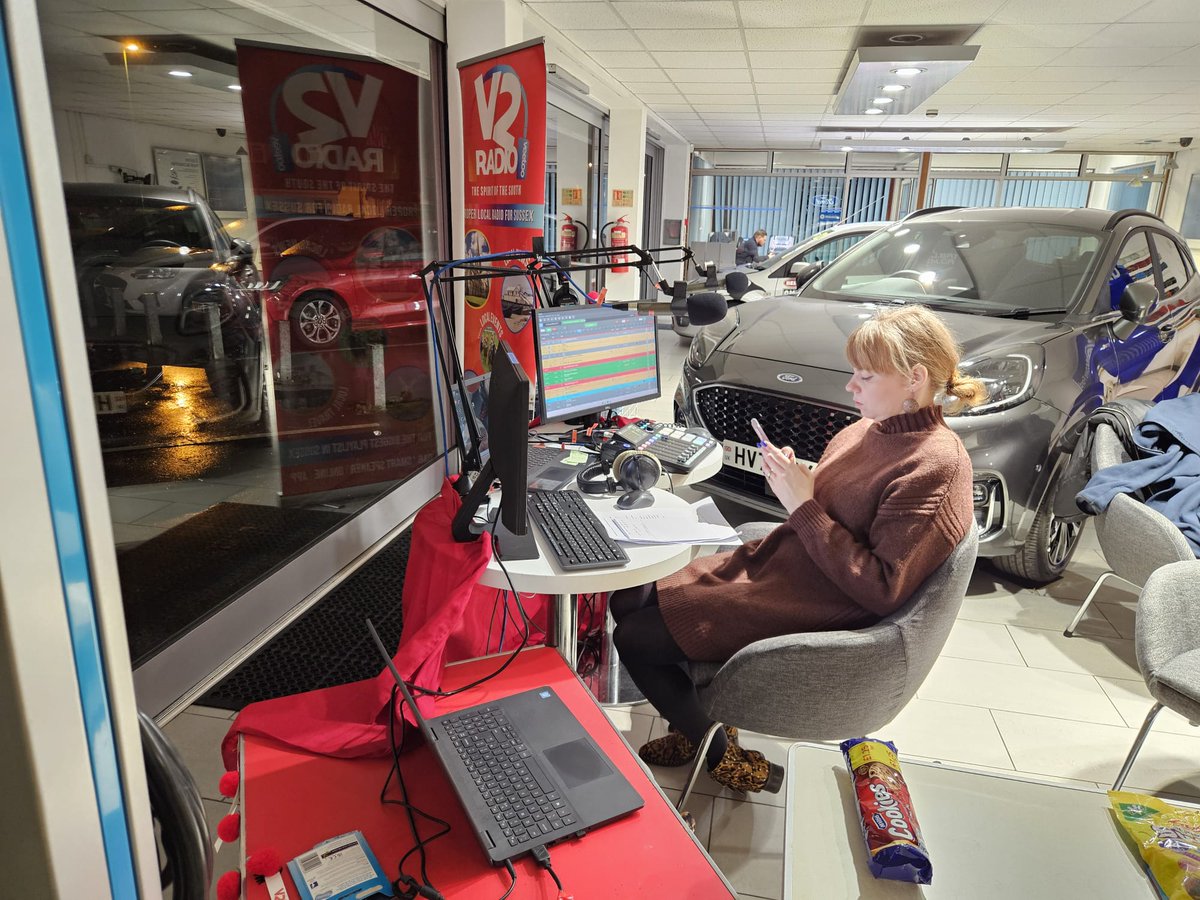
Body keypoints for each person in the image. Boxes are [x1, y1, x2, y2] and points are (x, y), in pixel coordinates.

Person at [609, 305, 987, 795]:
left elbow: (881, 588)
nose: (851, 386)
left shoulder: (936, 467)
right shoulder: (866, 430)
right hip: (788, 567)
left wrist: (802, 504)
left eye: (866, 376)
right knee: (626, 599)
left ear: (914, 379)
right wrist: (801, 484)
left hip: (819, 599)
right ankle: (696, 725)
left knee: (634, 638)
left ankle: (720, 755)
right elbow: (834, 506)